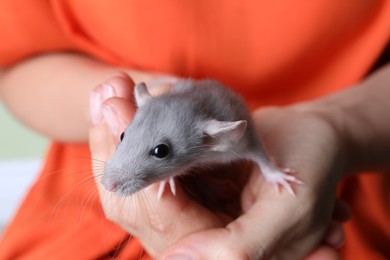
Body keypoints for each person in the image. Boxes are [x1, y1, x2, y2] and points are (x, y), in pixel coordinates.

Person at [0, 1, 389, 259]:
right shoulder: (152, 122)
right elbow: (16, 68)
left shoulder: (224, 135)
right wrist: (113, 115)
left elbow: (252, 145)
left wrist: (338, 127)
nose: (114, 180)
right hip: (84, 224)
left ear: (214, 138)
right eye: (125, 138)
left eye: (161, 155)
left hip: (346, 179)